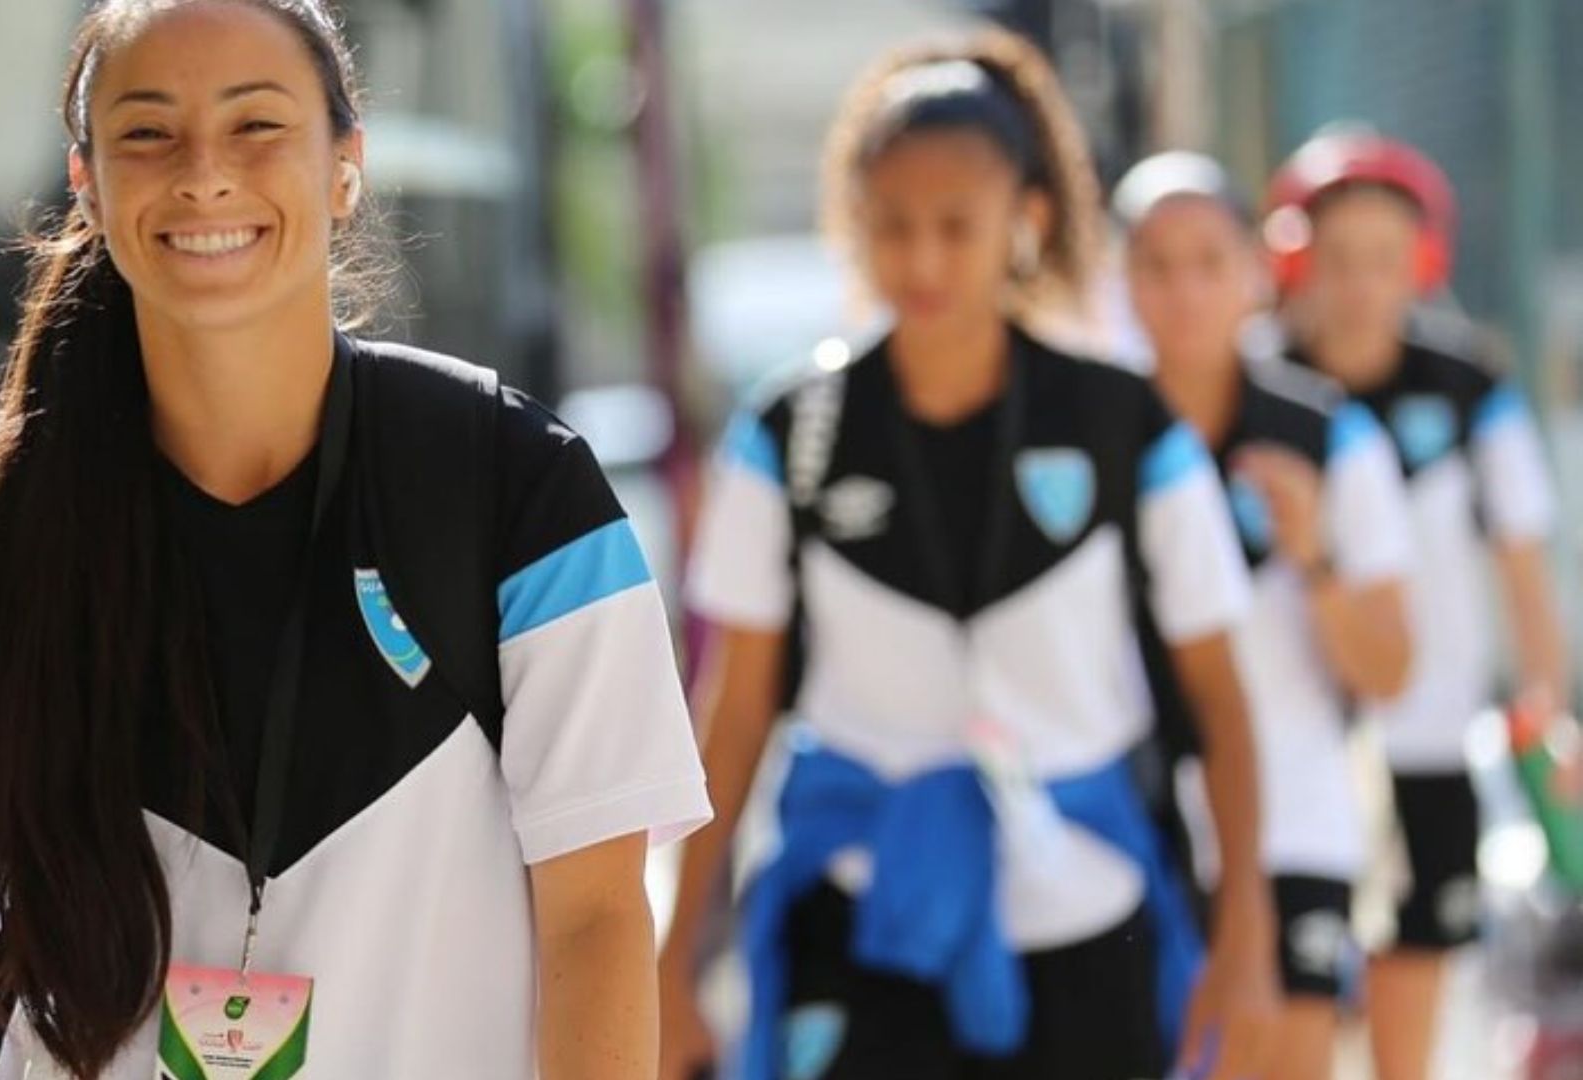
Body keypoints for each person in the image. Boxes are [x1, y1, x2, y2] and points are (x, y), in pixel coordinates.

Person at [0, 2, 713, 1078]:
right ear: (87, 183)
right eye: (148, 134)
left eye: (256, 126)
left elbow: (595, 925)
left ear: (345, 166)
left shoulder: (518, 489)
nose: (204, 175)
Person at [658, 30, 1278, 1080]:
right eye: (892, 225)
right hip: (862, 911)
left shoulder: (1126, 424)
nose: (925, 258)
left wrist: (1245, 940)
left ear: (1026, 221)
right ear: (854, 226)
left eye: (958, 224)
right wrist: (675, 954)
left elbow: (1220, 694)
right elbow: (737, 705)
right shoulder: (788, 432)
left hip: (1087, 913)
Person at [1265, 129, 1568, 1080]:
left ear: (1422, 263)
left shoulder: (1471, 389)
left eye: (1385, 259)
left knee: (1410, 1005)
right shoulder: (1258, 385)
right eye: (1338, 256)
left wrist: (1546, 703)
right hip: (1292, 756)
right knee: (1291, 1016)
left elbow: (1524, 566)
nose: (1361, 283)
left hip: (1430, 735)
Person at [1116, 152, 1414, 1080]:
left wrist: (1314, 555)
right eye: (1156, 266)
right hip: (1130, 827)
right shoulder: (1089, 433)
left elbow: (1390, 669)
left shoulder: (1328, 439)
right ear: (1119, 279)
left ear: (1255, 267)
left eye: (1210, 261)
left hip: (1296, 827)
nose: (1185, 293)